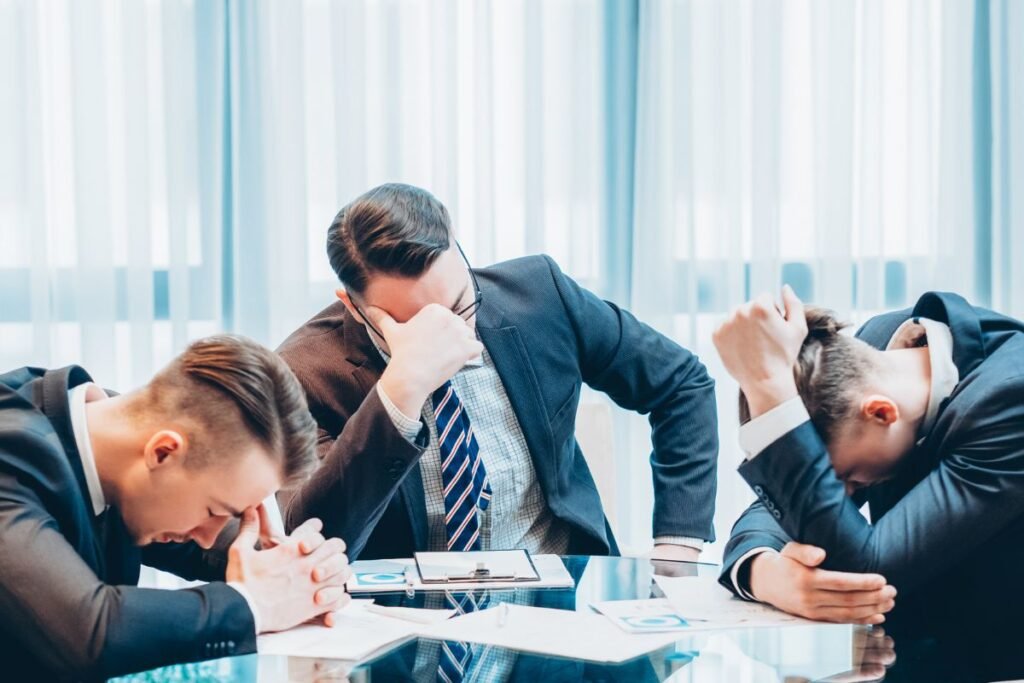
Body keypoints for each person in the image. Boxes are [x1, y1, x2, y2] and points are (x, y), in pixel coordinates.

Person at [277, 183, 719, 562]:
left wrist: (677, 548)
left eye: (458, 305)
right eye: (415, 324)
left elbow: (681, 385)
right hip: (402, 624)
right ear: (353, 305)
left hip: (559, 604)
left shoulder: (540, 296)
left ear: (459, 248)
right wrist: (400, 391)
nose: (448, 330)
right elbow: (309, 541)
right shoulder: (303, 373)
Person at [0, 335, 351, 679]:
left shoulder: (114, 438)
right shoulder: (10, 452)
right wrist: (257, 604)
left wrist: (290, 567)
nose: (207, 536)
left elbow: (209, 547)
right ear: (163, 452)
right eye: (214, 511)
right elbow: (87, 634)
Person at [713, 288, 1024, 630]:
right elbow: (781, 498)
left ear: (881, 412)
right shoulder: (874, 348)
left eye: (844, 477)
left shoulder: (1011, 398)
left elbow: (867, 567)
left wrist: (769, 386)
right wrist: (767, 574)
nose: (838, 497)